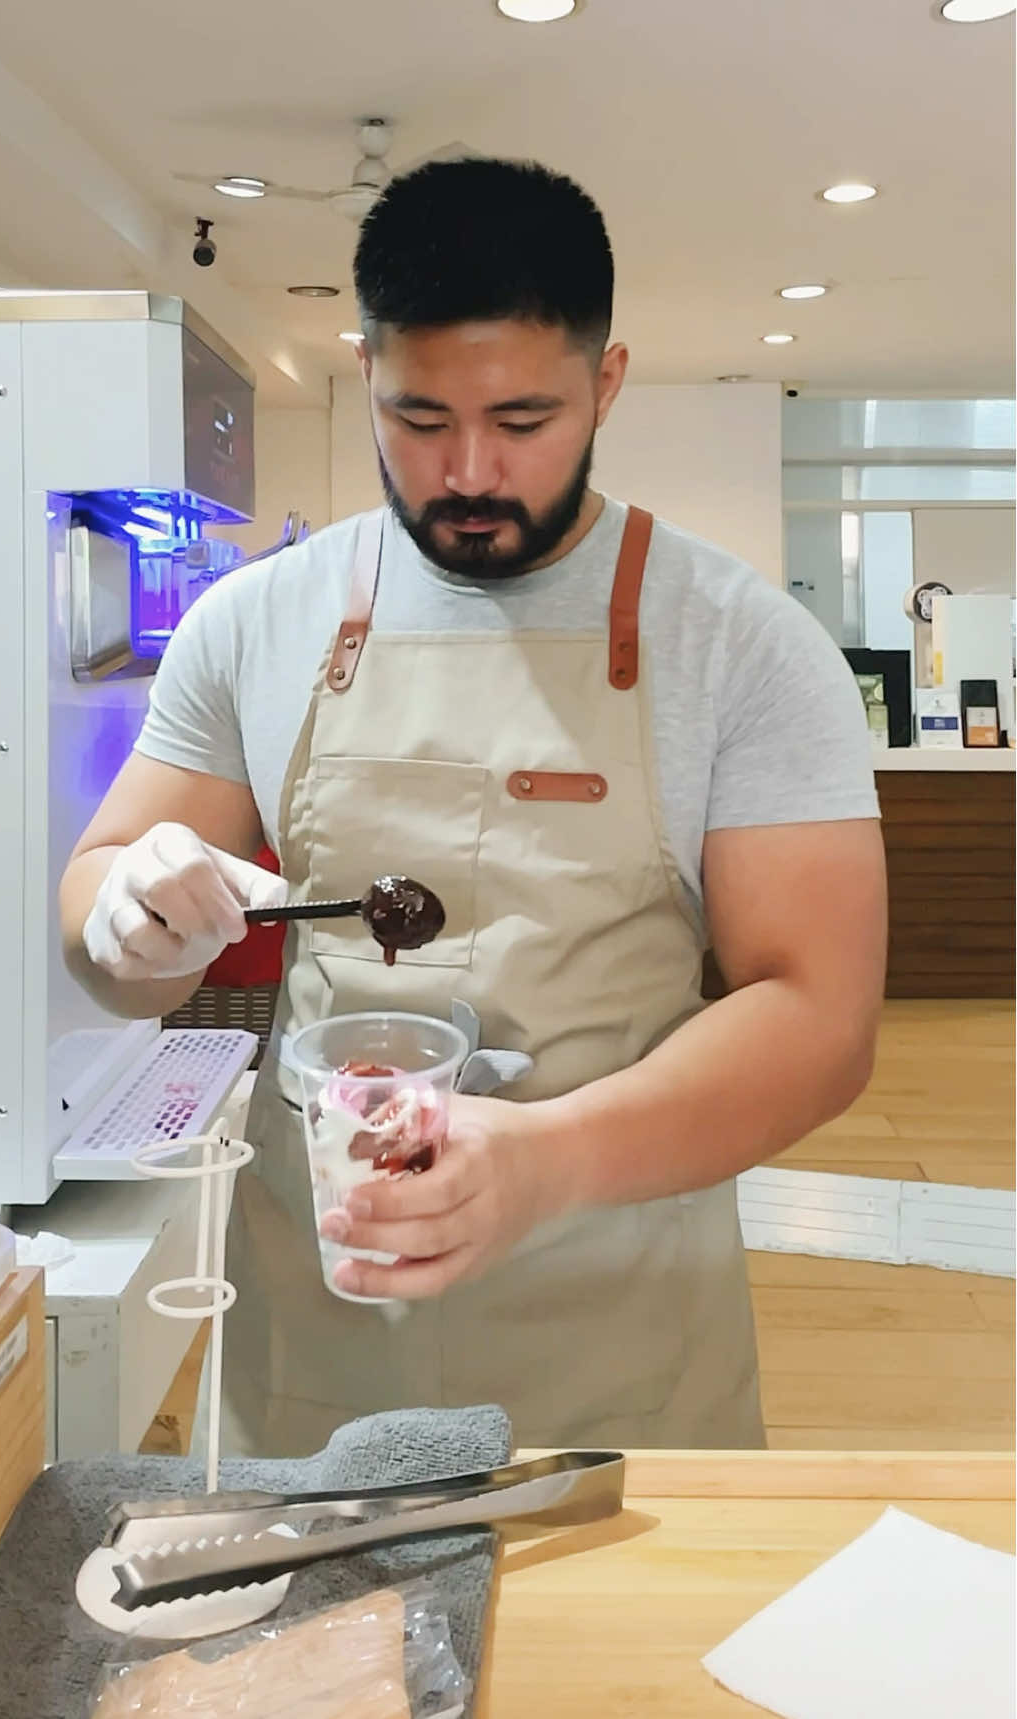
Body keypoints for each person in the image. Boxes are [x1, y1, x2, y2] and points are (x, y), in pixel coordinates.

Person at [61, 157, 886, 1457]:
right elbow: (103, 904)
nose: (469, 471)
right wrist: (125, 924)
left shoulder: (741, 645)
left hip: (618, 1335)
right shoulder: (255, 624)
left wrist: (542, 1160)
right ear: (365, 367)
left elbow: (821, 1018)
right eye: (421, 418)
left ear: (608, 381)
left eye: (525, 418)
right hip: (317, 1342)